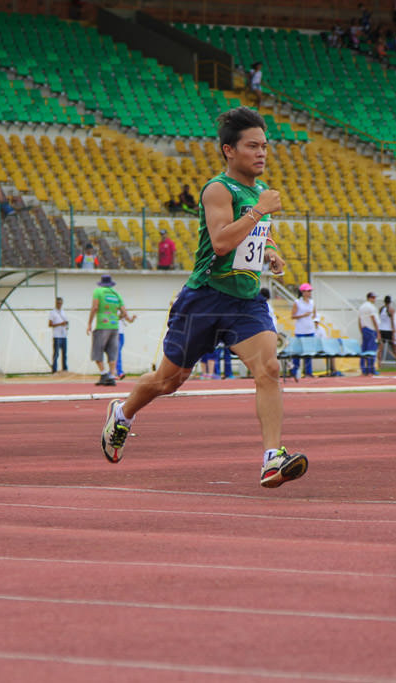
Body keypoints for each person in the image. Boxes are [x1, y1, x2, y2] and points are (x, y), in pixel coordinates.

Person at [100, 107, 307, 489]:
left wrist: (269, 253)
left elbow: (251, 239)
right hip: (205, 299)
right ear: (229, 150)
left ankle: (272, 458)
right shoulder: (218, 189)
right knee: (168, 381)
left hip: (245, 302)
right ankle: (123, 413)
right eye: (252, 146)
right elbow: (222, 240)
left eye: (265, 146)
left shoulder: (260, 191)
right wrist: (260, 212)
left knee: (270, 370)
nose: (262, 153)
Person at [88, 274, 132, 387]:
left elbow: (95, 307)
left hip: (102, 325)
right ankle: (112, 377)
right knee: (112, 353)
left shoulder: (98, 292)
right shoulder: (116, 294)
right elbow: (124, 312)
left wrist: (89, 323)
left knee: (97, 351)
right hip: (114, 327)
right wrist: (118, 318)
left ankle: (103, 374)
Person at [290, 282, 316, 378]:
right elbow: (292, 316)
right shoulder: (297, 302)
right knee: (298, 352)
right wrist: (303, 315)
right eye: (308, 291)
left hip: (310, 330)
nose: (310, 293)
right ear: (303, 292)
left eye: (310, 291)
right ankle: (294, 371)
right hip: (300, 331)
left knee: (309, 353)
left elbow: (315, 315)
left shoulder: (312, 302)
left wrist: (314, 321)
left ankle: (308, 372)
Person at [377, 294, 396, 369]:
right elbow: (392, 321)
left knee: (380, 349)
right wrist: (394, 332)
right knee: (394, 348)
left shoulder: (380, 309)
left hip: (382, 329)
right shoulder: (391, 310)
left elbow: (380, 319)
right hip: (389, 330)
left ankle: (379, 364)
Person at [359, 291, 381, 376]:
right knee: (371, 351)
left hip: (364, 329)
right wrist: (378, 331)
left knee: (364, 350)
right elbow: (373, 319)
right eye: (373, 297)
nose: (374, 299)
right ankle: (371, 369)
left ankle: (364, 369)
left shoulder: (362, 307)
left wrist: (361, 330)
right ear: (369, 298)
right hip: (371, 330)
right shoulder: (371, 307)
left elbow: (359, 320)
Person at [49, 296, 69, 373]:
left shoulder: (63, 312)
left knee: (64, 354)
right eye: (58, 303)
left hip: (64, 335)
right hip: (57, 336)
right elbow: (50, 324)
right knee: (56, 353)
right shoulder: (52, 312)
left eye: (60, 303)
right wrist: (60, 324)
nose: (59, 304)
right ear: (56, 303)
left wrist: (66, 325)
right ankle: (54, 369)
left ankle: (65, 368)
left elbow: (66, 321)